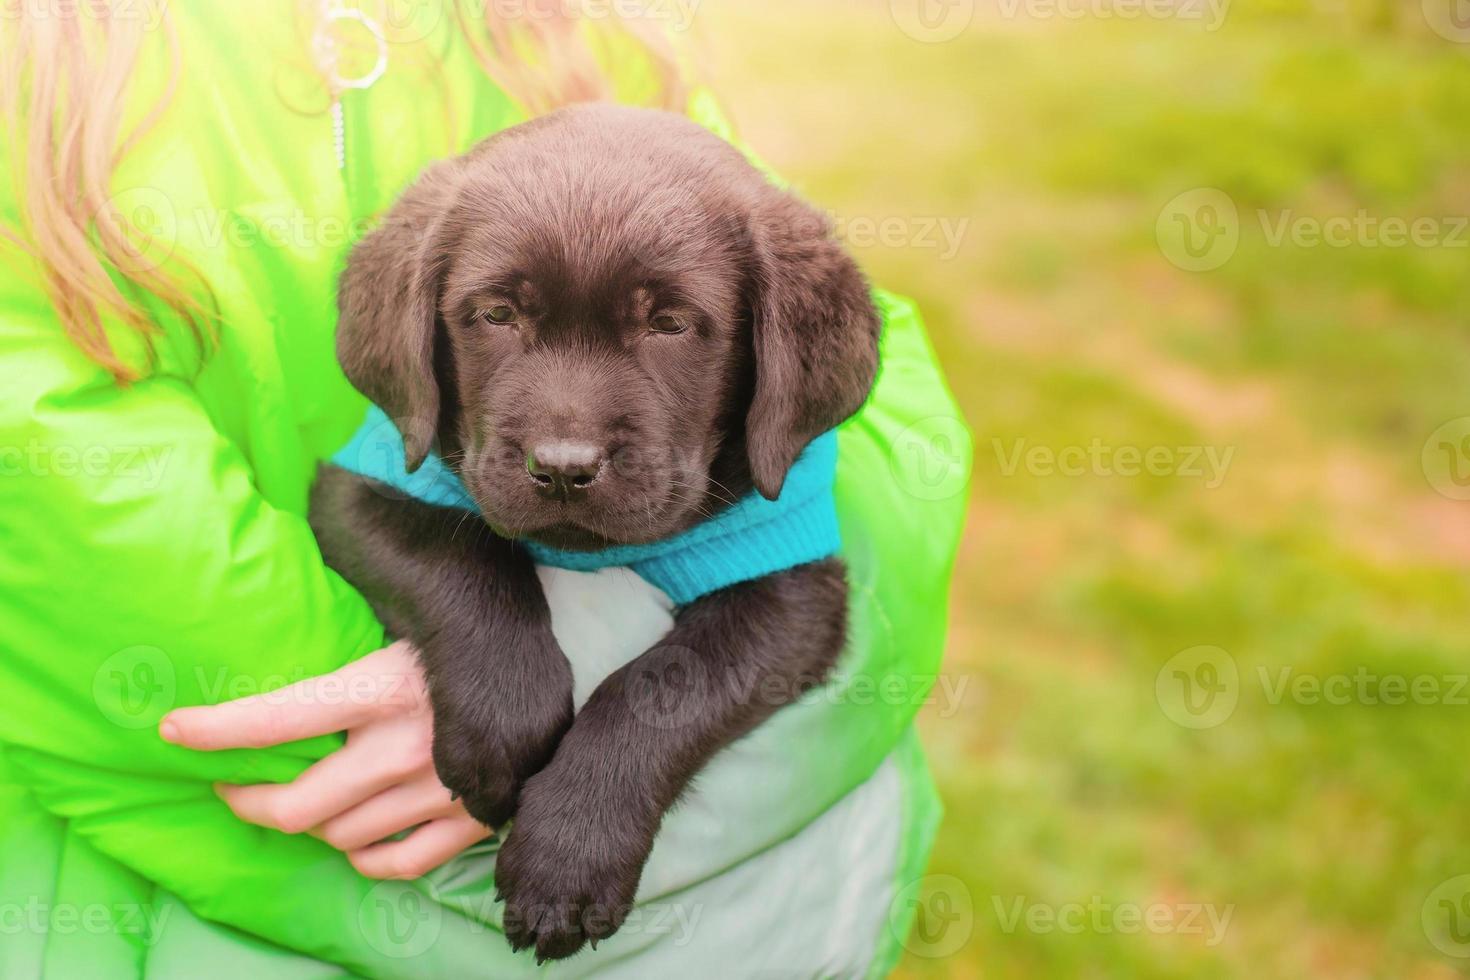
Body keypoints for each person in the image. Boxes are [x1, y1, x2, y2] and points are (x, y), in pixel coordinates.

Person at [0, 3, 968, 976]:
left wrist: (613, 734)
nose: (565, 439)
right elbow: (348, 499)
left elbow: (808, 581)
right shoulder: (44, 73)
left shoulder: (591, 42)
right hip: (154, 891)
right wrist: (487, 638)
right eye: (498, 315)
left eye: (667, 323)